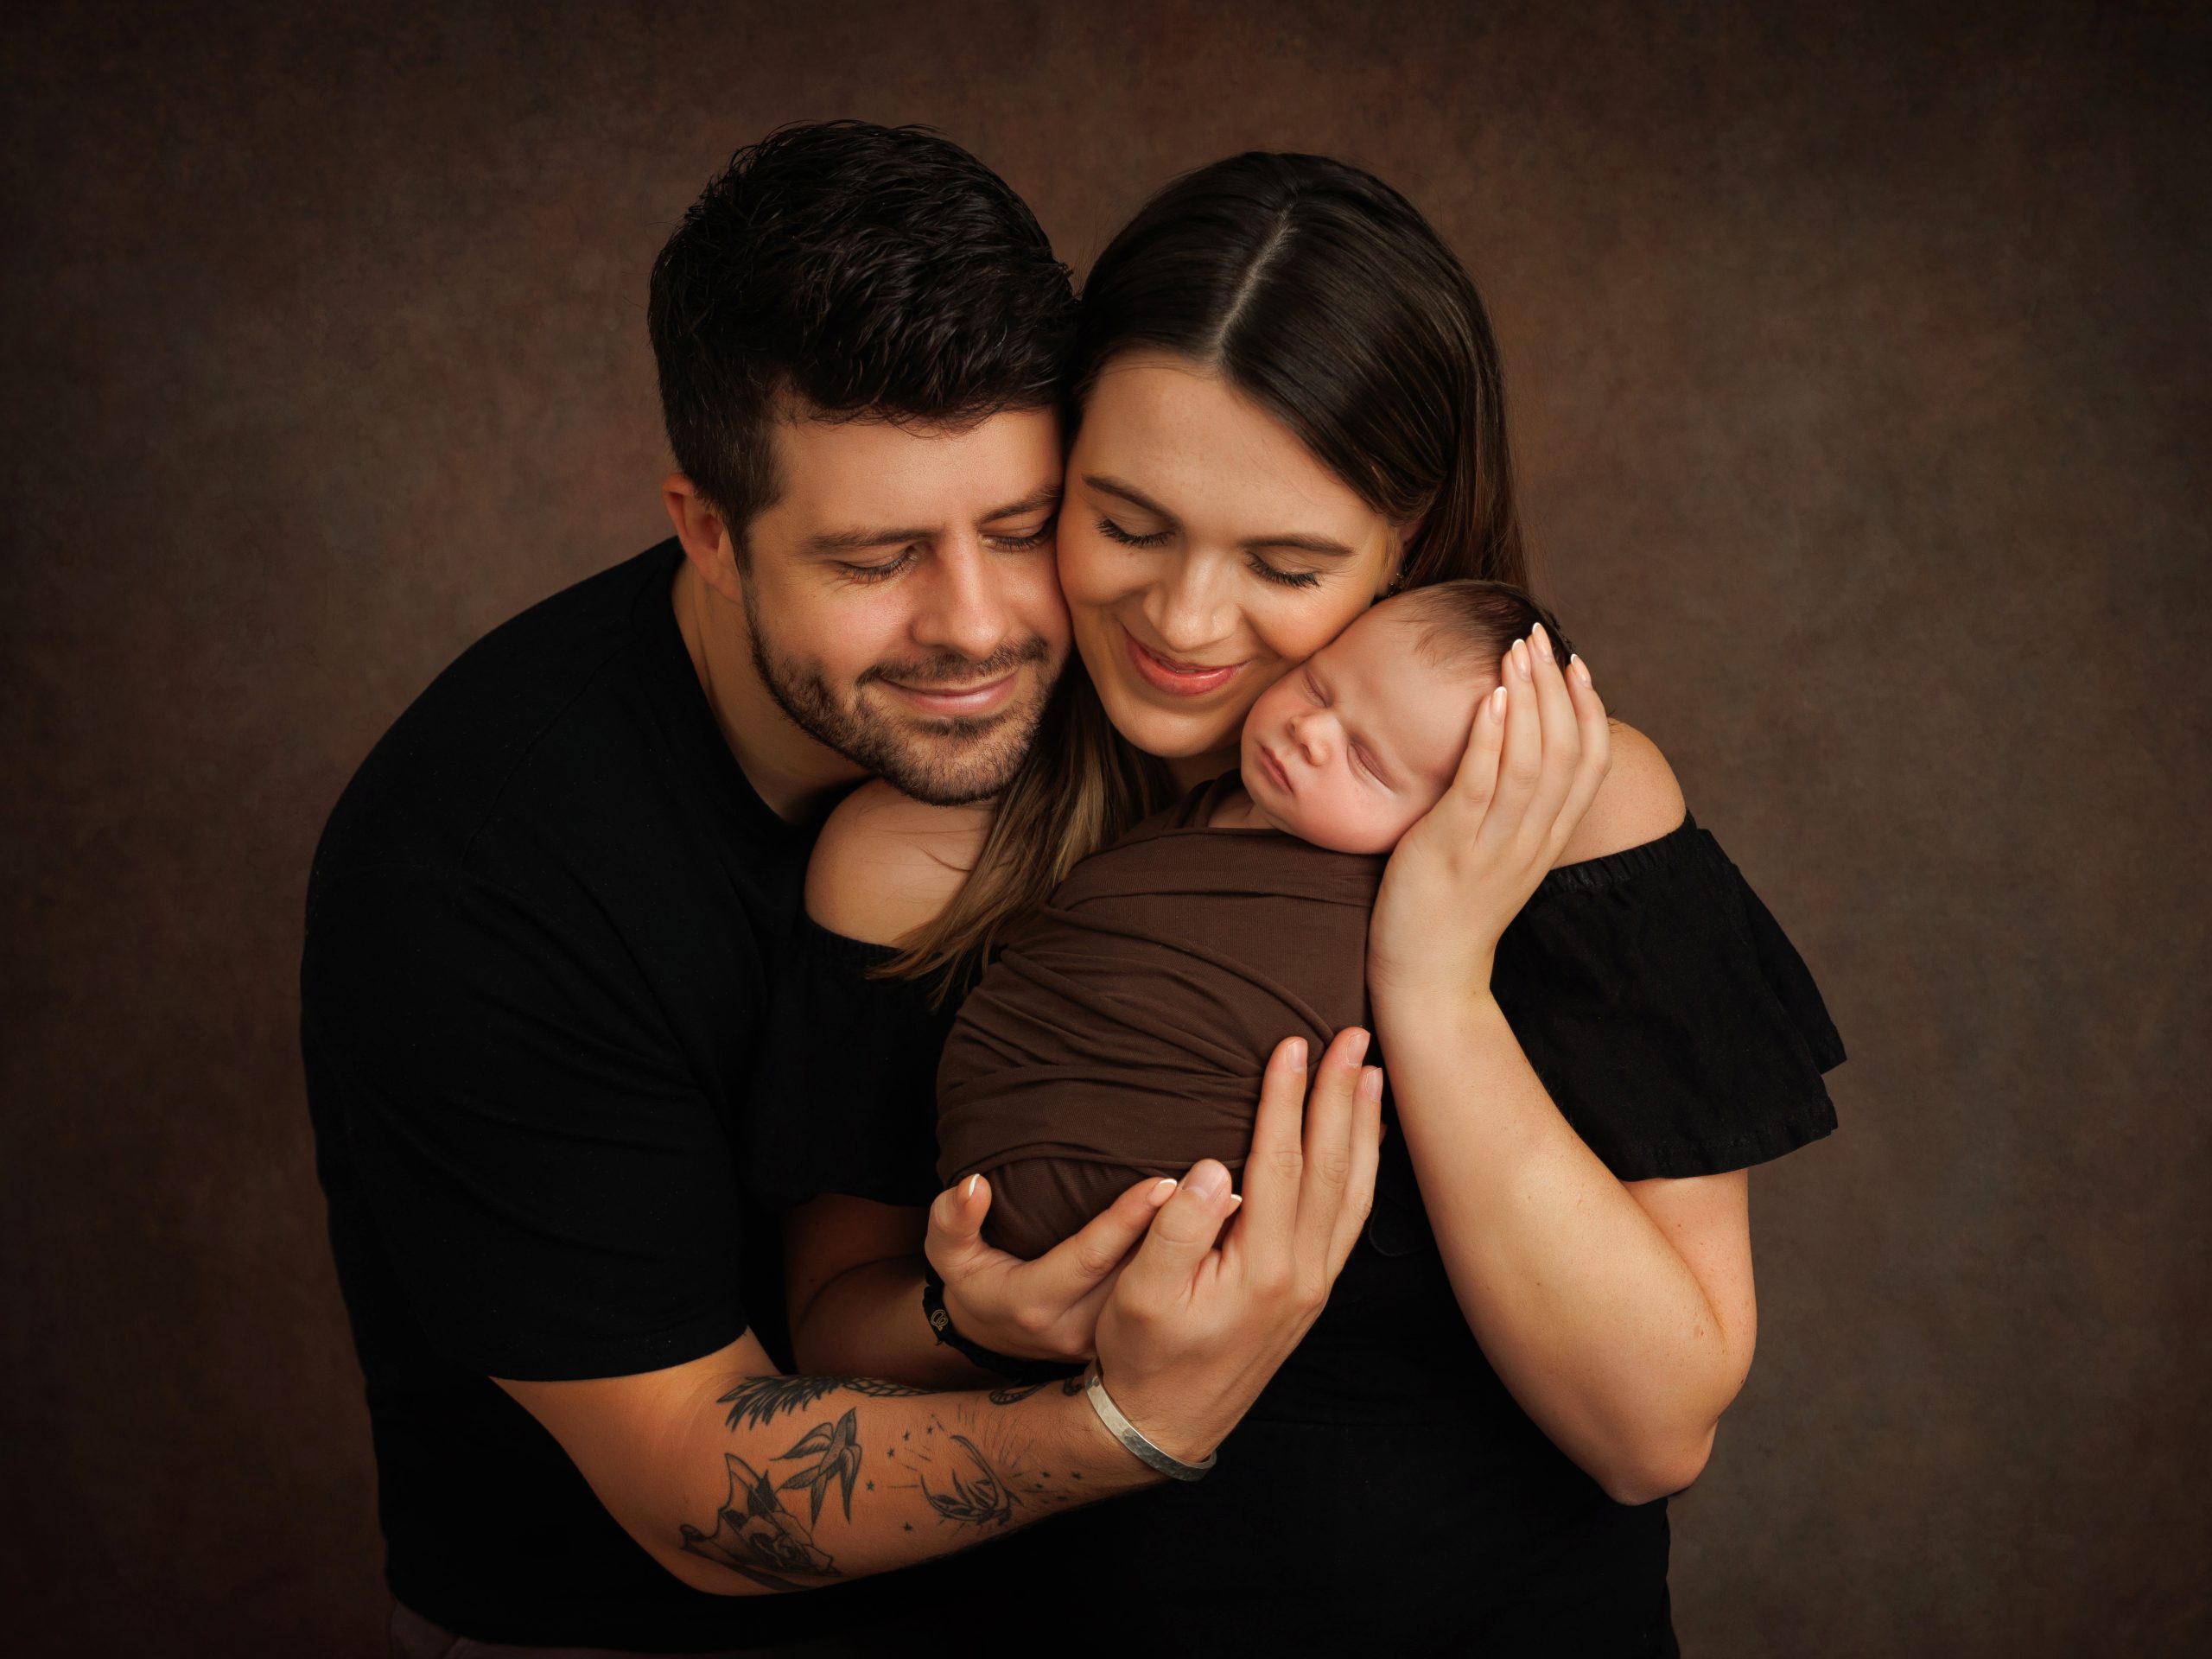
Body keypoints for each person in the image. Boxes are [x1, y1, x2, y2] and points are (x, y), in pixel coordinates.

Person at [300, 123, 1380, 1658]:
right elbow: (695, 1482)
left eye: (1022, 527)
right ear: (708, 534)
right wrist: (1131, 1422)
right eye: (877, 558)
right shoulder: (472, 871)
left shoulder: (1130, 680)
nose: (979, 624)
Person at [785, 151, 1847, 1653]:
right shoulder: (915, 855)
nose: (1187, 622)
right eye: (1129, 523)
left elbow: (1653, 1429)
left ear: (1408, 538)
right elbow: (828, 1332)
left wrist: (1429, 970)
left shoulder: (1562, 805)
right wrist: (978, 1323)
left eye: (1287, 562)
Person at [935, 580, 1573, 1260]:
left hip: (1150, 1211)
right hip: (984, 1147)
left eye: (1366, 760)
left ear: (1453, 824)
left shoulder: (1366, 921)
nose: (1312, 731)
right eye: (1319, 686)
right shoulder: (1200, 811)